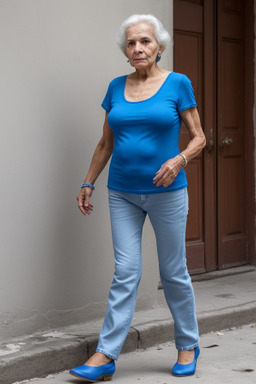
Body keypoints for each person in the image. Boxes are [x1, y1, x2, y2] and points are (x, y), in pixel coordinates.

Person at [70, 14, 206, 382]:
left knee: (173, 271)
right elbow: (105, 143)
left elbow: (199, 138)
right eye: (131, 43)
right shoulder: (116, 87)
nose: (138, 48)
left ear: (159, 46)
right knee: (125, 273)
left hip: (167, 193)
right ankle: (105, 355)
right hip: (122, 193)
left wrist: (178, 161)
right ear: (125, 51)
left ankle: (188, 344)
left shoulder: (178, 84)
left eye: (145, 41)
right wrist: (88, 182)